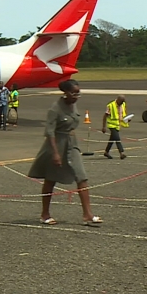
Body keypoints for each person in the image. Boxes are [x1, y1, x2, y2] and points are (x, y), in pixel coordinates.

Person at [28, 79, 102, 226]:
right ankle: (45, 214)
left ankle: (88, 215)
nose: (76, 96)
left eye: (78, 93)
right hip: (55, 145)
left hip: (71, 144)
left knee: (82, 177)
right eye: (74, 93)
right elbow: (49, 132)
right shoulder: (55, 109)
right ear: (66, 93)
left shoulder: (73, 105)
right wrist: (55, 153)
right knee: (50, 179)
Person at [101, 95, 128, 160]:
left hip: (118, 125)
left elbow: (122, 114)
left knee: (112, 139)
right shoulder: (110, 105)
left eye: (122, 102)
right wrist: (103, 127)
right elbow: (105, 116)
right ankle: (121, 153)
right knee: (117, 139)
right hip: (111, 125)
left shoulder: (123, 105)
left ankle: (106, 152)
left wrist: (127, 119)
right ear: (117, 100)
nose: (121, 104)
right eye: (120, 102)